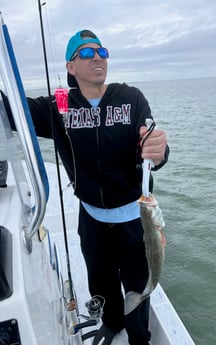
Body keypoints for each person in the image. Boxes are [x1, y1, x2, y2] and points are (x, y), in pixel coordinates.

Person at [2, 29, 169, 345]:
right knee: (100, 279)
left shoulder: (130, 97)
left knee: (137, 283)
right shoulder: (61, 104)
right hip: (91, 219)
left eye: (102, 52)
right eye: (87, 53)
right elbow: (14, 111)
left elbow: (152, 148)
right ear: (71, 66)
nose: (97, 58)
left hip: (135, 219)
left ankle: (139, 337)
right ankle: (111, 323)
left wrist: (159, 151)